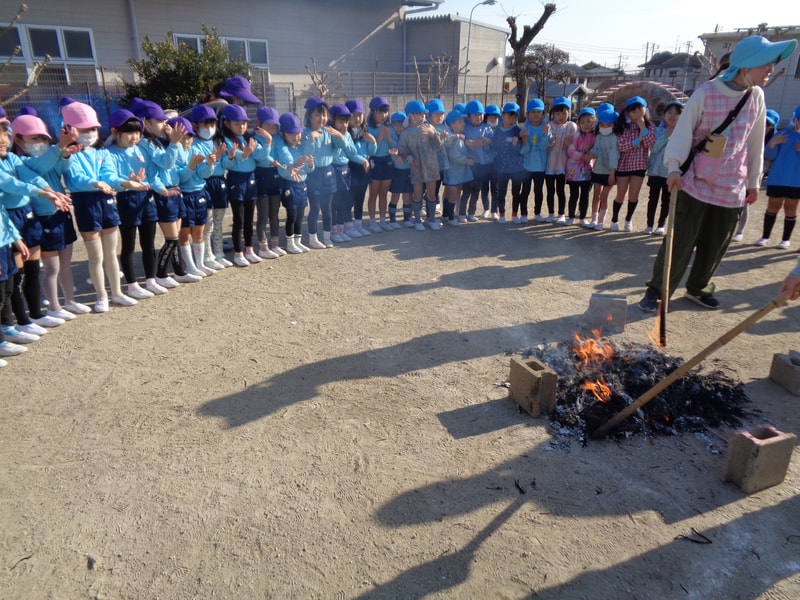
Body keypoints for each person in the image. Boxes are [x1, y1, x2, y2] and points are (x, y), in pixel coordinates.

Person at [638, 35, 797, 312]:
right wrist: (673, 168)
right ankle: (657, 289)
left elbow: (755, 142)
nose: (770, 69)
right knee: (680, 241)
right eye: (766, 64)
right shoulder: (707, 92)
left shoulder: (757, 96)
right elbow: (683, 133)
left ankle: (699, 287)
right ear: (747, 65)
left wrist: (753, 181)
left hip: (732, 185)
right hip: (695, 181)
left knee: (716, 244)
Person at [10, 114, 90, 318]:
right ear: (18, 140)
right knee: (51, 267)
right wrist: (58, 149)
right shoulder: (20, 161)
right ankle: (53, 306)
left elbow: (62, 168)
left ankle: (69, 301)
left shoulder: (51, 154)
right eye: (34, 139)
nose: (40, 143)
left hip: (61, 213)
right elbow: (39, 167)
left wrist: (65, 154)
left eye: (43, 138)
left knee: (65, 264)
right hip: (43, 217)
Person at [99, 109, 158, 299]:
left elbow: (150, 172)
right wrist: (127, 182)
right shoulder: (108, 153)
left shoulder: (141, 150)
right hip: (126, 200)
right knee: (129, 245)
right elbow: (110, 177)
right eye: (129, 132)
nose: (134, 137)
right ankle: (132, 285)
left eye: (137, 132)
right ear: (115, 132)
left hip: (146, 198)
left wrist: (152, 185)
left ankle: (151, 280)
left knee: (149, 243)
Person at [220, 103, 262, 266]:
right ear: (227, 124)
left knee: (250, 218)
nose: (241, 127)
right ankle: (238, 253)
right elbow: (227, 164)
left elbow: (258, 155)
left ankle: (249, 250)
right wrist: (242, 155)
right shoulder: (225, 140)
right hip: (235, 181)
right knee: (239, 219)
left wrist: (267, 142)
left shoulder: (249, 138)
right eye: (237, 124)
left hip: (251, 179)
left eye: (244, 123)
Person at [756, 104, 800, 250]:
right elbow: (769, 156)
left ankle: (785, 239)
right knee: (773, 206)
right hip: (777, 178)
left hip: (796, 181)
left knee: (791, 208)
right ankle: (765, 236)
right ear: (795, 119)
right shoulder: (783, 134)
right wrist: (773, 143)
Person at [610, 96, 656, 231]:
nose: (637, 114)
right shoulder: (623, 126)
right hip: (623, 165)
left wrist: (643, 128)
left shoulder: (649, 126)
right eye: (633, 111)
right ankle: (614, 219)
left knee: (634, 195)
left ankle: (628, 219)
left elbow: (649, 143)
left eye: (640, 110)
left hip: (640, 165)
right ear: (628, 113)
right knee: (621, 194)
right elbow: (621, 146)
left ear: (645, 110)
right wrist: (638, 140)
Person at [397, 100, 443, 231]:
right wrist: (408, 157)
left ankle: (431, 219)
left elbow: (439, 146)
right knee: (417, 195)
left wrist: (433, 135)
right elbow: (402, 150)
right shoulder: (405, 134)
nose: (423, 116)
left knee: (432, 195)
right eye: (419, 114)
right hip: (416, 168)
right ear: (410, 116)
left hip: (431, 167)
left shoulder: (429, 127)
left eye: (424, 114)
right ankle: (417, 220)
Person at [274, 112, 314, 254]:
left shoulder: (300, 148)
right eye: (292, 134)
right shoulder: (282, 150)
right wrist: (294, 166)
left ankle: (298, 241)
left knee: (301, 215)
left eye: (298, 133)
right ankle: (290, 242)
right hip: (289, 185)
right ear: (282, 134)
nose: (296, 137)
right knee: (292, 215)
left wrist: (310, 165)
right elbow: (283, 171)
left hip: (302, 185)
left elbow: (308, 170)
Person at [644, 100, 682, 235]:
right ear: (663, 115)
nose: (673, 116)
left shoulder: (683, 133)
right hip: (655, 171)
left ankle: (661, 224)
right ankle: (649, 224)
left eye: (677, 113)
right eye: (669, 112)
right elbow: (653, 149)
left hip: (670, 173)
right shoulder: (657, 130)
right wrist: (666, 136)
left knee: (666, 200)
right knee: (652, 198)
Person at [252, 106, 283, 258]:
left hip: (276, 177)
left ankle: (275, 245)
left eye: (273, 126)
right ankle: (263, 247)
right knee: (263, 214)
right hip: (261, 177)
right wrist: (268, 141)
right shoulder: (255, 138)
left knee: (275, 214)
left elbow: (282, 154)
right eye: (267, 125)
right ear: (259, 123)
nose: (271, 128)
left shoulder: (278, 137)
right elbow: (260, 157)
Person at [490, 102, 525, 224]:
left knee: (516, 192)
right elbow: (493, 147)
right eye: (509, 116)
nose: (512, 119)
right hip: (501, 168)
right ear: (503, 116)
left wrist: (516, 144)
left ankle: (515, 214)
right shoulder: (497, 131)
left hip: (516, 168)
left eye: (515, 117)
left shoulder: (518, 131)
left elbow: (521, 150)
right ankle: (502, 214)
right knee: (501, 192)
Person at [544, 96, 577, 223]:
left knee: (560, 190)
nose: (561, 116)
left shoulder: (571, 126)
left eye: (564, 113)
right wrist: (549, 140)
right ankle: (551, 213)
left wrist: (570, 144)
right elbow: (545, 145)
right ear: (553, 113)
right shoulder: (550, 125)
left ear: (569, 112)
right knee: (550, 190)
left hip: (563, 165)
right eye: (558, 113)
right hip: (550, 165)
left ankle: (561, 214)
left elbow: (574, 145)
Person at [586, 107, 619, 230]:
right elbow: (596, 149)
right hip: (598, 169)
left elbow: (614, 155)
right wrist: (591, 154)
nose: (605, 127)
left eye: (609, 124)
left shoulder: (615, 138)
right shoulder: (599, 136)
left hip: (610, 172)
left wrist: (612, 173)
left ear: (614, 125)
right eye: (602, 124)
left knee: (604, 196)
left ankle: (601, 221)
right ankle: (594, 220)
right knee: (596, 195)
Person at [519, 98, 551, 224]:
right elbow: (523, 151)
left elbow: (544, 147)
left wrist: (546, 134)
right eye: (532, 112)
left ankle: (537, 213)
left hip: (540, 166)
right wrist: (525, 139)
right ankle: (524, 213)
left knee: (538, 191)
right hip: (527, 166)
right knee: (525, 190)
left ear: (543, 114)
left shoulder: (546, 128)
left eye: (539, 112)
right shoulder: (524, 128)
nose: (536, 114)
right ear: (527, 114)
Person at [365, 96, 394, 232]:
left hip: (387, 161)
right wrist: (380, 138)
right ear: (373, 112)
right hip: (375, 161)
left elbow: (395, 145)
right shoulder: (368, 129)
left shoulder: (389, 128)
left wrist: (388, 137)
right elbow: (369, 148)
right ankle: (372, 221)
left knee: (384, 194)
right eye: (380, 112)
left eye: (385, 112)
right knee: (373, 194)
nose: (383, 115)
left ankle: (383, 220)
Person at [461, 100, 494, 221]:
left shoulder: (487, 128)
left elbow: (491, 145)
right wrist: (470, 143)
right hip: (470, 165)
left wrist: (487, 142)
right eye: (475, 114)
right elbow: (465, 145)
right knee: (466, 190)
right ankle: (462, 214)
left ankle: (471, 213)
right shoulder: (466, 129)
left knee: (476, 191)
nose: (478, 117)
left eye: (480, 114)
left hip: (483, 165)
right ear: (468, 116)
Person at [564, 107, 596, 225]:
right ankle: (571, 216)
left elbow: (597, 150)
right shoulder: (576, 135)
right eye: (583, 122)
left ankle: (582, 217)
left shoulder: (595, 136)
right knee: (574, 194)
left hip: (587, 170)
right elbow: (571, 150)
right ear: (579, 123)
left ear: (594, 121)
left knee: (585, 195)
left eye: (589, 121)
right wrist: (582, 156)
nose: (586, 124)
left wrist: (591, 154)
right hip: (574, 171)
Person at [442, 109, 473, 226]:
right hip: (452, 172)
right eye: (459, 121)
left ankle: (446, 215)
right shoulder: (453, 138)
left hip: (458, 172)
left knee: (453, 194)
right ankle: (450, 217)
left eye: (463, 121)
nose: (463, 123)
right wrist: (466, 160)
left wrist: (467, 155)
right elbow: (454, 156)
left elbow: (462, 151)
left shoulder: (458, 137)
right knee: (452, 195)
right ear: (452, 125)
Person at [387, 111, 413, 227]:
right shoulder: (391, 137)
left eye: (401, 124)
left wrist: (411, 157)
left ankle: (406, 219)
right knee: (395, 195)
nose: (398, 127)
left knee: (407, 195)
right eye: (395, 124)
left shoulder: (408, 136)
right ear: (391, 125)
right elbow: (391, 151)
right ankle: (392, 220)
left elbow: (413, 151)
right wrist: (395, 157)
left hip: (409, 169)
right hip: (397, 171)